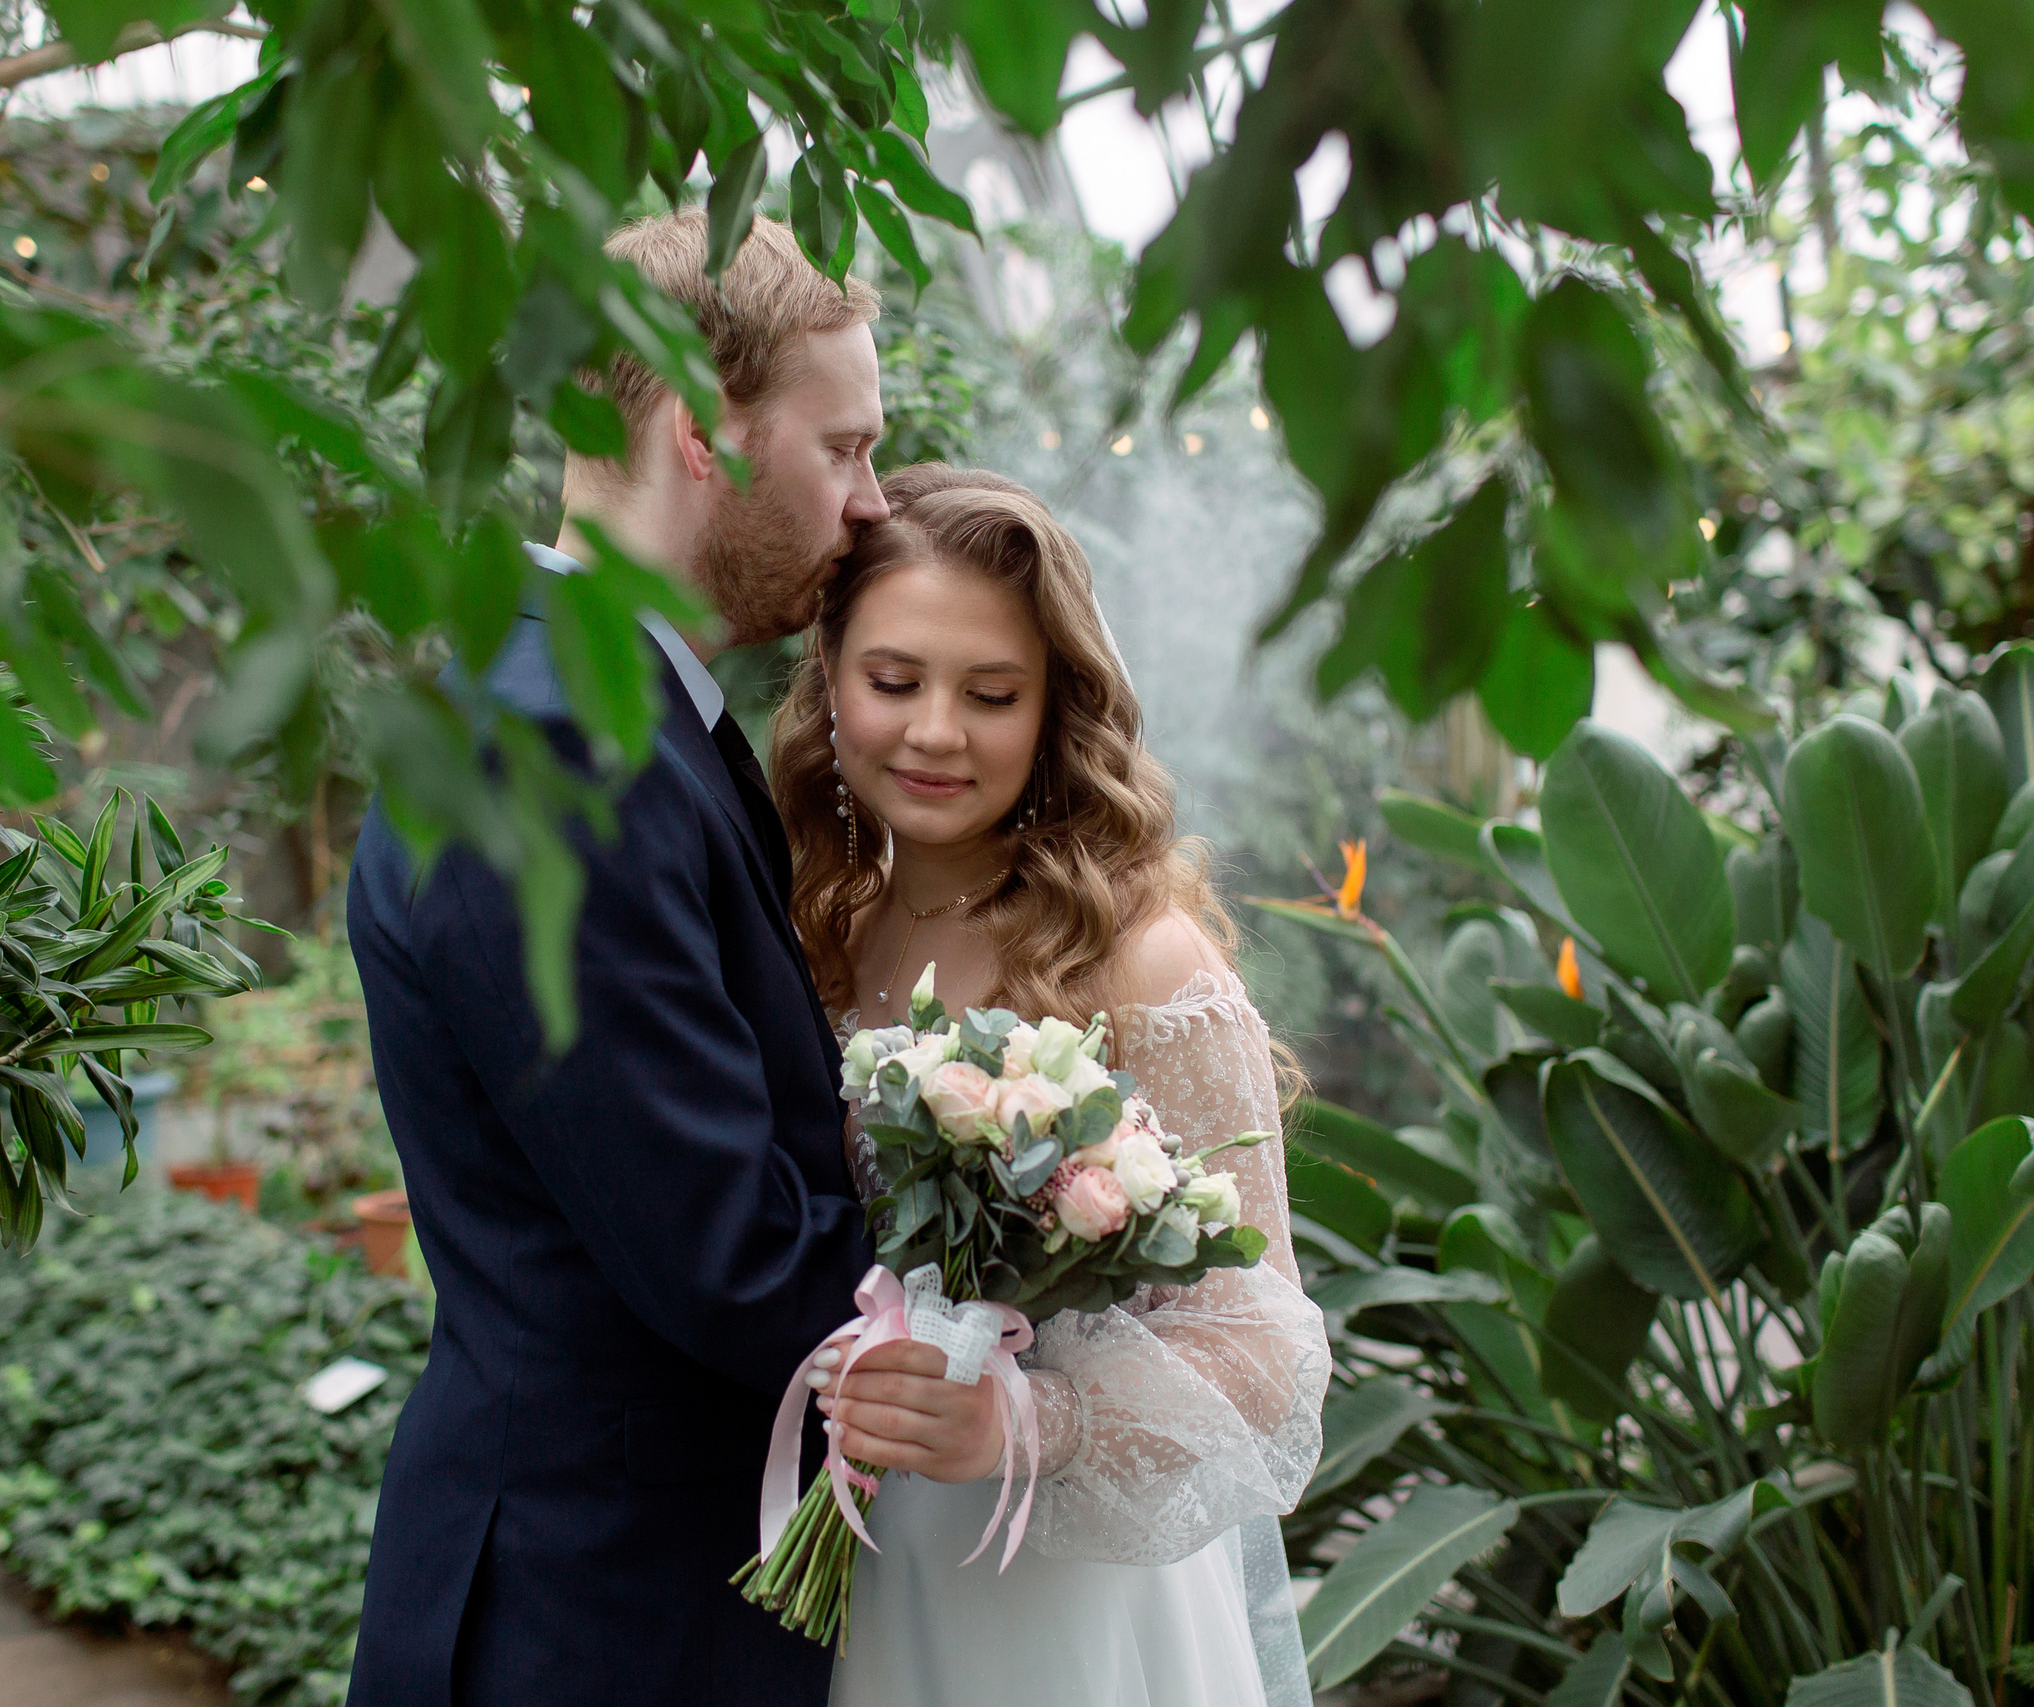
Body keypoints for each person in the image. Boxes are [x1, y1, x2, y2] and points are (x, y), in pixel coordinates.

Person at [343, 211, 891, 1707]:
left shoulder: (599, 705)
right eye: (843, 447)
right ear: (710, 432)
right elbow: (734, 1259)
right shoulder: (558, 753)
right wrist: (1044, 1294)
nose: (871, 500)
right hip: (599, 1625)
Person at [766, 465, 1329, 1707]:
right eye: (894, 680)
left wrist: (1027, 1427)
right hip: (847, 1574)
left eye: (992, 694)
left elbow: (1265, 1350)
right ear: (831, 687)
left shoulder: (1141, 956)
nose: (934, 732)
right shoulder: (811, 924)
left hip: (1053, 1591)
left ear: (1055, 710)